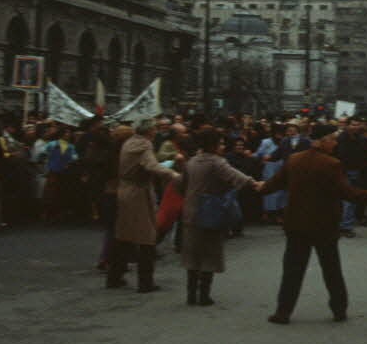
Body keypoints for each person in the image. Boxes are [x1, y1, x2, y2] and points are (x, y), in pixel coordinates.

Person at [261, 124, 367, 325]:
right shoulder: (331, 164)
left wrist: (258, 186)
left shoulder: (294, 159)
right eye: (333, 139)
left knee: (292, 270)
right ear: (323, 140)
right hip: (323, 224)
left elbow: (274, 183)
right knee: (331, 269)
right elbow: (347, 192)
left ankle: (283, 312)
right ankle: (339, 310)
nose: (335, 143)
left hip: (296, 224)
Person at [178, 130, 261, 307]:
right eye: (221, 143)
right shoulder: (216, 162)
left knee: (192, 253)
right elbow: (236, 176)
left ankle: (191, 294)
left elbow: (180, 184)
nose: (223, 147)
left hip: (190, 210)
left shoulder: (191, 161)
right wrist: (255, 183)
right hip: (209, 212)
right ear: (213, 145)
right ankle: (204, 295)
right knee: (209, 253)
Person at [109, 120, 181, 293]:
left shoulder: (130, 142)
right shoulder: (144, 145)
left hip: (125, 189)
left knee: (123, 235)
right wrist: (174, 174)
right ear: (150, 131)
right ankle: (145, 282)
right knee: (146, 237)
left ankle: (114, 276)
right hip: (138, 192)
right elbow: (151, 165)